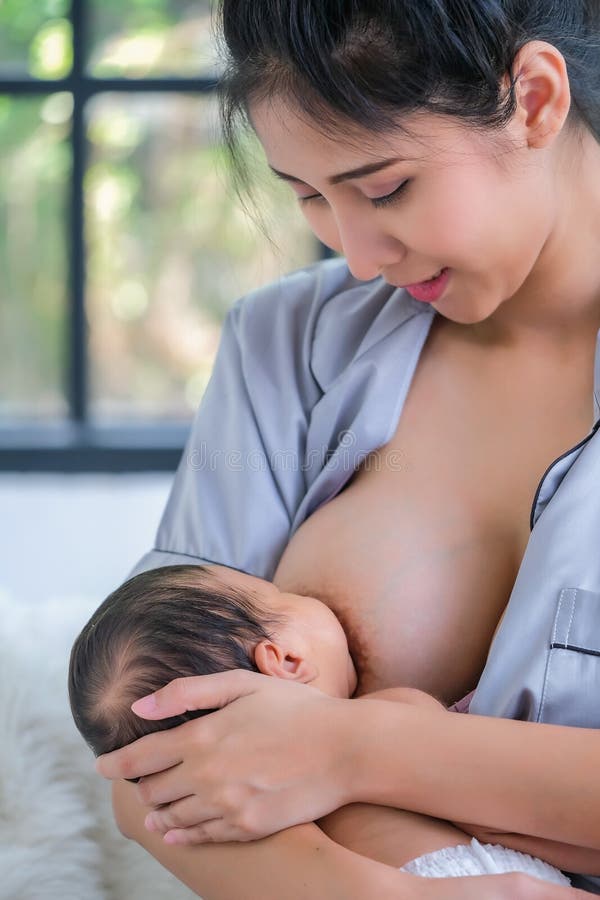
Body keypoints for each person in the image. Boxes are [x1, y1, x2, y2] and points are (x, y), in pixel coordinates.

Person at [94, 2, 600, 898]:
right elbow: (144, 745)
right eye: (308, 198)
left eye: (382, 188)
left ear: (533, 100)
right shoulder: (283, 345)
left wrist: (353, 748)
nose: (360, 258)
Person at [69, 562, 571, 884]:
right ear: (284, 660)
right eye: (279, 592)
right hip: (474, 881)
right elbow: (518, 827)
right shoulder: (394, 713)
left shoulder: (214, 819)